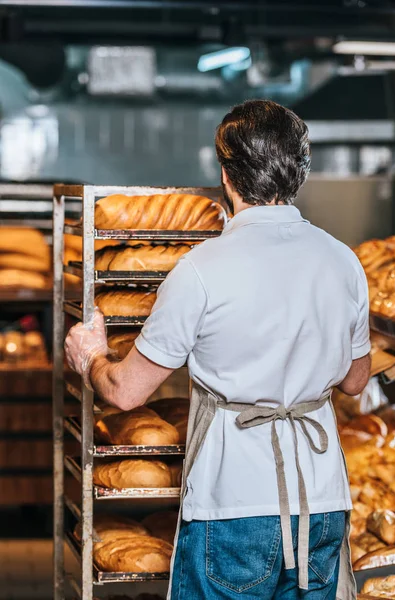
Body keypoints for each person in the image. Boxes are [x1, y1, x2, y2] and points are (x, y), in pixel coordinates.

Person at [65, 100, 371, 600]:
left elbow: (125, 393)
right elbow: (356, 381)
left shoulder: (201, 269)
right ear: (300, 172)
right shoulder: (342, 261)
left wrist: (93, 356)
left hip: (233, 504)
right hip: (321, 502)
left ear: (227, 175)